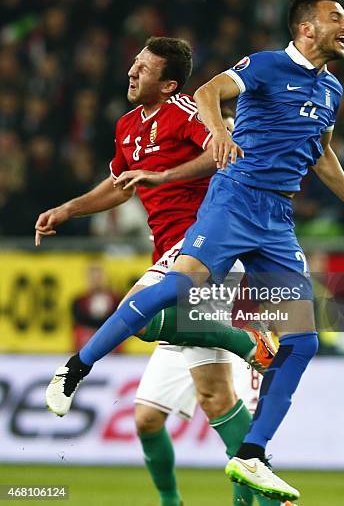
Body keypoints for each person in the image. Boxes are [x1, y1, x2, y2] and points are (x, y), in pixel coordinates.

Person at [43, 0, 344, 502]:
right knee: (182, 286)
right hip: (235, 199)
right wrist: (217, 134)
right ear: (306, 29)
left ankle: (251, 456)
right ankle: (77, 367)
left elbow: (322, 154)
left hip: (276, 218)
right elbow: (207, 93)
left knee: (303, 342)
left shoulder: (332, 90)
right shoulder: (267, 66)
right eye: (338, 17)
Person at [36, 36, 276, 506]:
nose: (132, 71)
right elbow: (119, 185)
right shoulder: (128, 125)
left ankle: (245, 342)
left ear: (168, 84)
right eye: (134, 63)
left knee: (136, 312)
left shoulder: (185, 111)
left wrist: (165, 177)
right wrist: (69, 209)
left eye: (144, 68)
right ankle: (246, 487)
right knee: (192, 405)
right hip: (165, 251)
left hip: (204, 245)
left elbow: (220, 152)